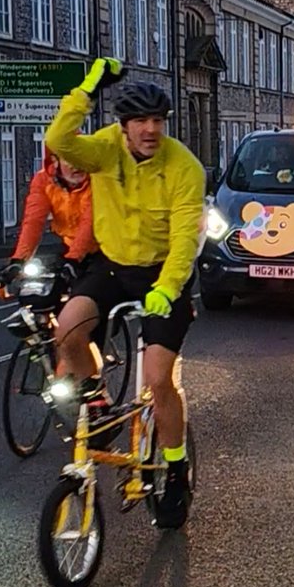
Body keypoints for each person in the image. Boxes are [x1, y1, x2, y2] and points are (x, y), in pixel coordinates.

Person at [44, 57, 206, 529]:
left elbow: (184, 241)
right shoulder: (105, 150)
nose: (150, 129)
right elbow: (58, 141)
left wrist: (168, 288)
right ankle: (97, 400)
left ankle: (174, 467)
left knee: (158, 378)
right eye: (140, 121)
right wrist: (88, 87)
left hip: (162, 274)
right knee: (68, 331)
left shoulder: (184, 167)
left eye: (158, 120)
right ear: (124, 125)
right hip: (113, 267)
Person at [0, 148, 96, 289]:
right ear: (55, 161)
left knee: (91, 297)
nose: (76, 166)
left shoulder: (98, 180)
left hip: (106, 250)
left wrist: (73, 259)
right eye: (69, 159)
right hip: (70, 247)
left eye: (81, 158)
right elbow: (33, 221)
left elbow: (89, 223)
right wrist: (18, 261)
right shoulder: (43, 180)